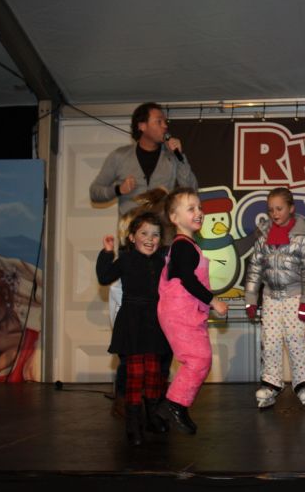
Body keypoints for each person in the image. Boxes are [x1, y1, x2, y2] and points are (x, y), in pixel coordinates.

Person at [89, 102, 197, 417]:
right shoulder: (119, 157)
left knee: (165, 322)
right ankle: (126, 394)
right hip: (131, 251)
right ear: (141, 125)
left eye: (165, 121)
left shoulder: (171, 158)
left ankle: (157, 395)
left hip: (164, 251)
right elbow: (95, 191)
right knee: (131, 324)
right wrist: (117, 188)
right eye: (159, 121)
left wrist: (181, 156)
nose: (165, 126)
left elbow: (191, 189)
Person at [155, 187, 228, 435]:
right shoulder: (183, 247)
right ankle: (175, 404)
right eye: (191, 209)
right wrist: (213, 300)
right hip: (180, 313)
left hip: (183, 313)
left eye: (200, 207)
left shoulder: (187, 245)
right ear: (174, 218)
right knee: (198, 359)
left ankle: (171, 405)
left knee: (199, 359)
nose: (199, 212)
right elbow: (187, 279)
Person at [96, 212, 171, 445]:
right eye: (144, 233)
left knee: (154, 374)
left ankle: (152, 417)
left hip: (155, 323)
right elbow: (104, 277)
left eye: (155, 235)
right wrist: (107, 253)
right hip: (132, 322)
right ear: (131, 237)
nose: (150, 239)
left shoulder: (162, 262)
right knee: (135, 375)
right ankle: (132, 424)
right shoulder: (126, 259)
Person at [244, 188, 305, 410]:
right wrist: (251, 297)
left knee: (296, 340)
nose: (275, 213)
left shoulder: (301, 238)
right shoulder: (263, 237)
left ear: (291, 208)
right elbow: (255, 268)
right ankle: (271, 383)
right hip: (270, 297)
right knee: (270, 341)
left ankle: (304, 384)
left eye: (279, 208)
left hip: (294, 297)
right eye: (271, 210)